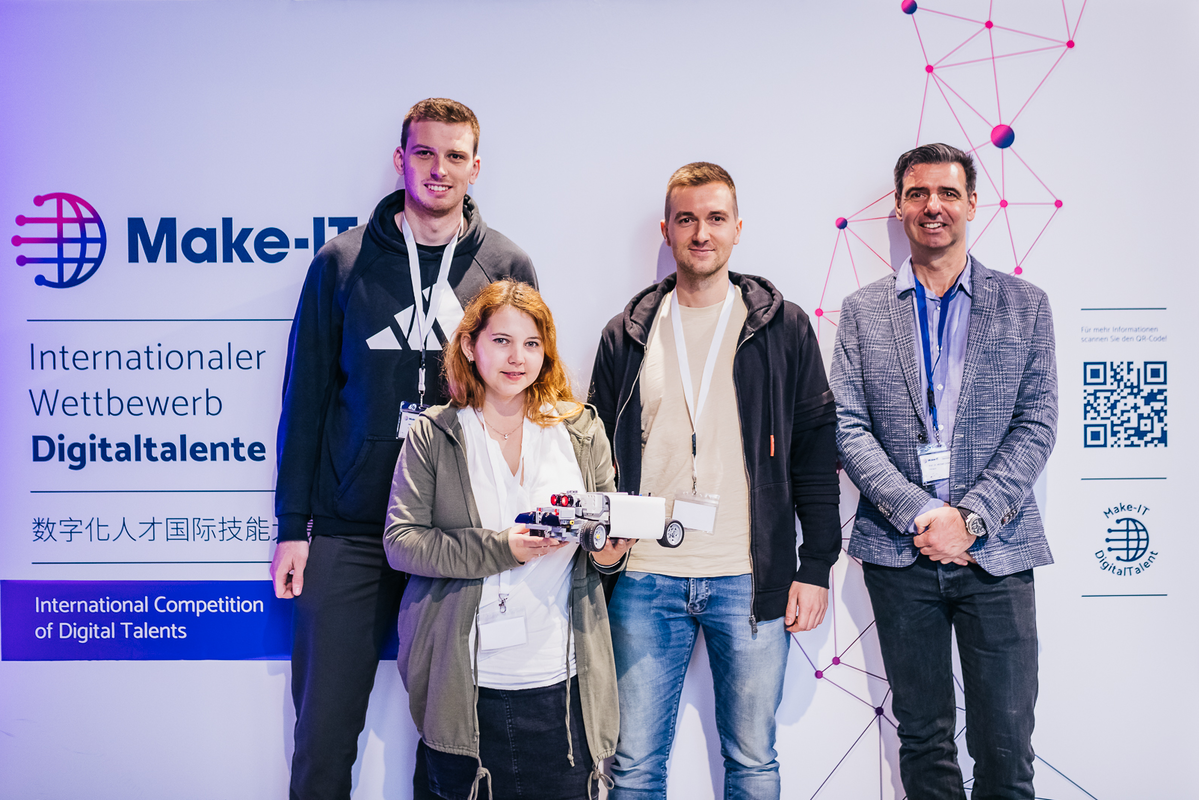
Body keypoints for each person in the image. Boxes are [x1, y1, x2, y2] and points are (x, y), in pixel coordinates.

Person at [270, 98, 537, 800]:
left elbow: (523, 395)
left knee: (456, 744)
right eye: (423, 152)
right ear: (400, 159)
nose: (438, 168)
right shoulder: (344, 260)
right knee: (323, 741)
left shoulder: (505, 262)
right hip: (350, 529)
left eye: (454, 156)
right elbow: (306, 400)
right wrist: (292, 527)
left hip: (457, 534)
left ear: (475, 168)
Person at [589, 162, 841, 799]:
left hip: (748, 575)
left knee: (753, 761)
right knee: (634, 765)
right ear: (668, 232)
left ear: (736, 230)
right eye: (687, 219)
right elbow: (590, 456)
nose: (701, 232)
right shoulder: (627, 333)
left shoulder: (781, 328)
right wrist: (602, 540)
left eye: (715, 218)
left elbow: (814, 452)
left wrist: (815, 566)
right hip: (643, 577)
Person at [829, 142, 1058, 799]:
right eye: (918, 194)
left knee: (1006, 746)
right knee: (924, 742)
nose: (933, 206)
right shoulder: (863, 311)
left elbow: (1036, 425)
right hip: (900, 556)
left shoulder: (1024, 305)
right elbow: (848, 427)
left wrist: (971, 518)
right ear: (899, 206)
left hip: (998, 553)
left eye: (948, 194)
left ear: (972, 205)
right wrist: (923, 514)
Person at [385, 279, 631, 800]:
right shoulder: (435, 433)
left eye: (532, 343)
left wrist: (610, 555)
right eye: (501, 341)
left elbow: (604, 534)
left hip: (563, 686)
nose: (517, 357)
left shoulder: (581, 428)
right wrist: (504, 547)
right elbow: (401, 542)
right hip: (466, 685)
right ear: (470, 346)